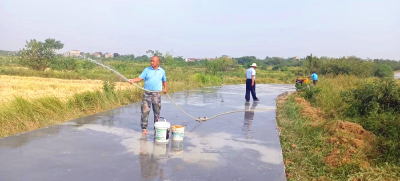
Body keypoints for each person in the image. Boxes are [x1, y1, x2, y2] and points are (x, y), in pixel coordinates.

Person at [129, 56, 168, 136]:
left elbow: (164, 80)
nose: (151, 62)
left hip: (156, 94)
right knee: (145, 111)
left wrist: (165, 88)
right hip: (147, 93)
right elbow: (140, 78)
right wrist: (133, 80)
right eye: (151, 61)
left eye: (153, 61)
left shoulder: (162, 71)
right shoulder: (147, 70)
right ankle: (144, 129)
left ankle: (156, 128)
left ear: (158, 62)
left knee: (157, 112)